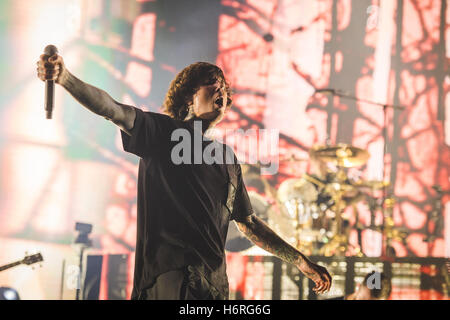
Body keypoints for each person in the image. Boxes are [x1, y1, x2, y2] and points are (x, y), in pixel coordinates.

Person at [37, 53, 332, 300]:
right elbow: (112, 109)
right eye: (211, 83)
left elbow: (249, 224)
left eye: (225, 88)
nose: (221, 90)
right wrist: (65, 78)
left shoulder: (227, 159)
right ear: (189, 98)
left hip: (214, 284)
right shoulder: (163, 133)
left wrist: (300, 260)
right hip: (172, 277)